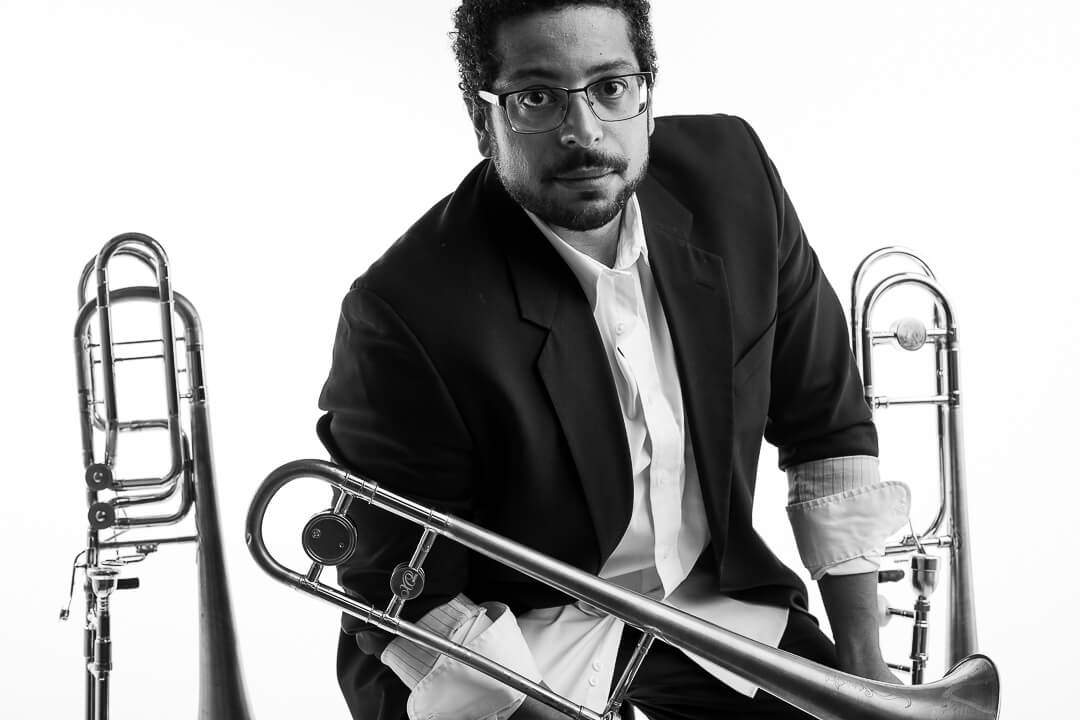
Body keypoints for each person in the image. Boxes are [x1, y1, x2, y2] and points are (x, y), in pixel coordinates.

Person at [317, 2, 910, 719]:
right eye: (537, 98)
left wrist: (865, 677)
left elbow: (824, 424)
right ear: (483, 121)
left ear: (647, 95)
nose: (585, 131)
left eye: (610, 87)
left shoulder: (736, 182)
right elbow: (404, 593)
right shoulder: (404, 312)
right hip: (508, 640)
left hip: (708, 606)